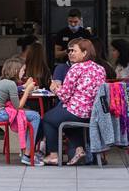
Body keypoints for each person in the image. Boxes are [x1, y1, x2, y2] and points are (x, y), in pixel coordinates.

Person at [38, 38, 104, 166]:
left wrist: (55, 88)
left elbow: (64, 95)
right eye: (69, 51)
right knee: (61, 118)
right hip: (93, 113)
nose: (70, 53)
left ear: (84, 53)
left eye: (74, 51)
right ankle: (79, 149)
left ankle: (53, 155)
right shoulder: (100, 69)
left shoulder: (75, 68)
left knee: (47, 118)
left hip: (77, 111)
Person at [0, 56, 41, 165]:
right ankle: (27, 155)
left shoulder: (3, 82)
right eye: (23, 70)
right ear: (16, 71)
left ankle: (25, 151)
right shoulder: (11, 84)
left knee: (28, 114)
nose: (24, 73)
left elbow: (12, 91)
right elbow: (18, 106)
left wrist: (24, 86)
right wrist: (27, 90)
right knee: (35, 116)